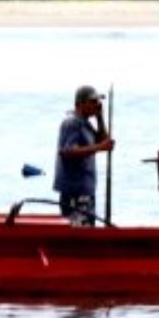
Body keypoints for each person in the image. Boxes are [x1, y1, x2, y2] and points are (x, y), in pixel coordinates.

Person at [54, 85, 115, 226]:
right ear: (80, 104)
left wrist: (100, 118)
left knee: (86, 229)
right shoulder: (72, 123)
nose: (97, 105)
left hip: (84, 191)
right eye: (93, 101)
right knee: (79, 232)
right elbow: (68, 151)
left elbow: (102, 141)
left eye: (98, 102)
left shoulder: (85, 124)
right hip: (75, 193)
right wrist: (100, 147)